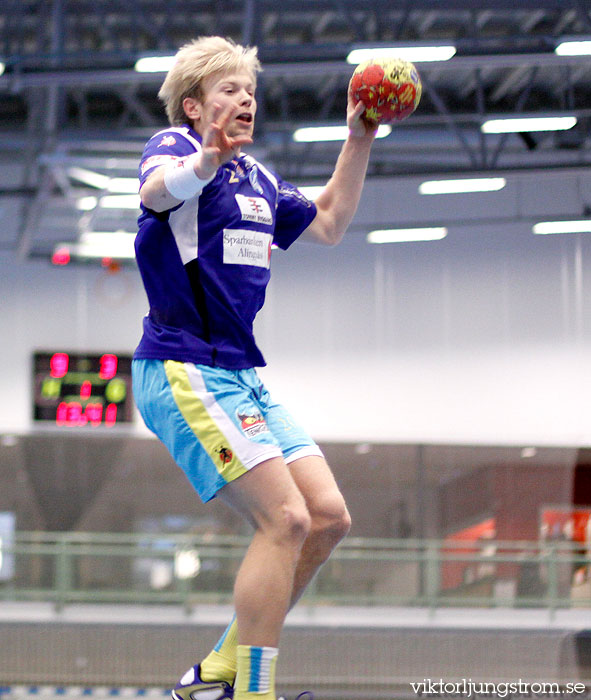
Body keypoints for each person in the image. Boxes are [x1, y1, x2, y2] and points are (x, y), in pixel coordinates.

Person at [132, 35, 377, 700]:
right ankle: (253, 690)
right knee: (285, 521)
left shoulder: (261, 180)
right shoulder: (178, 152)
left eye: (248, 90)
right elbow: (155, 197)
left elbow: (326, 222)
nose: (244, 99)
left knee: (326, 517)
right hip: (182, 367)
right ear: (193, 107)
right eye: (228, 90)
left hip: (239, 371)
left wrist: (358, 139)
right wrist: (205, 160)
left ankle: (217, 667)